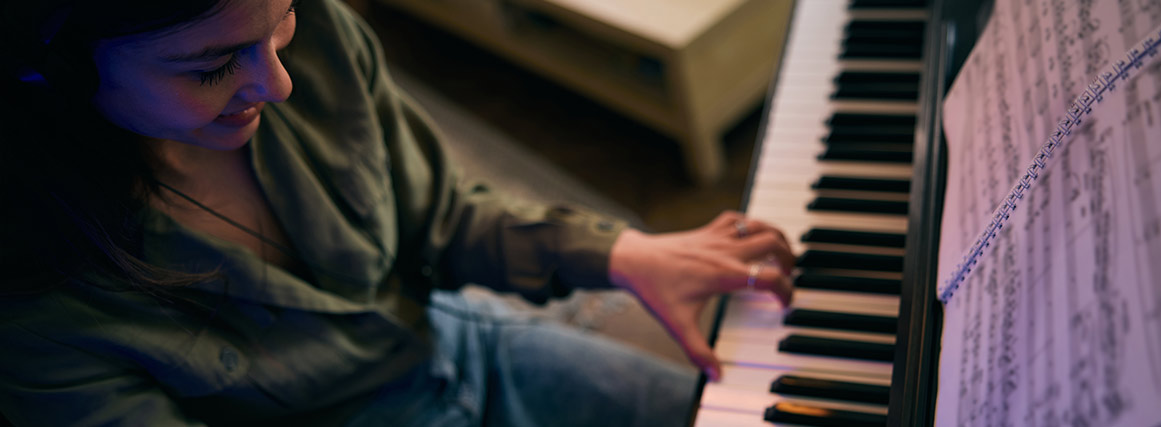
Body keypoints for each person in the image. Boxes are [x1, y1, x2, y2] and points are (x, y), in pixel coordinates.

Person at [0, 0, 796, 425]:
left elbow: (437, 216)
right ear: (54, 71)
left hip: (465, 347)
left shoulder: (320, 41)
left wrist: (622, 255)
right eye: (211, 67)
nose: (278, 85)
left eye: (280, 24)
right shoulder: (30, 297)